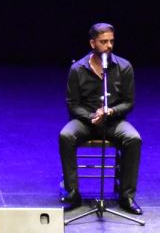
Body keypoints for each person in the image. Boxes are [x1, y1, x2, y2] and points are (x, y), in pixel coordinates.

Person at [59, 23, 143, 215]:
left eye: (111, 41)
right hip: (85, 121)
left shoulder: (124, 67)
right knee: (66, 136)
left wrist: (111, 112)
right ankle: (73, 192)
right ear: (92, 43)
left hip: (113, 121)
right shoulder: (77, 69)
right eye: (103, 41)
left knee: (133, 138)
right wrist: (91, 117)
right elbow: (72, 104)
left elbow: (129, 102)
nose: (109, 46)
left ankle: (126, 197)